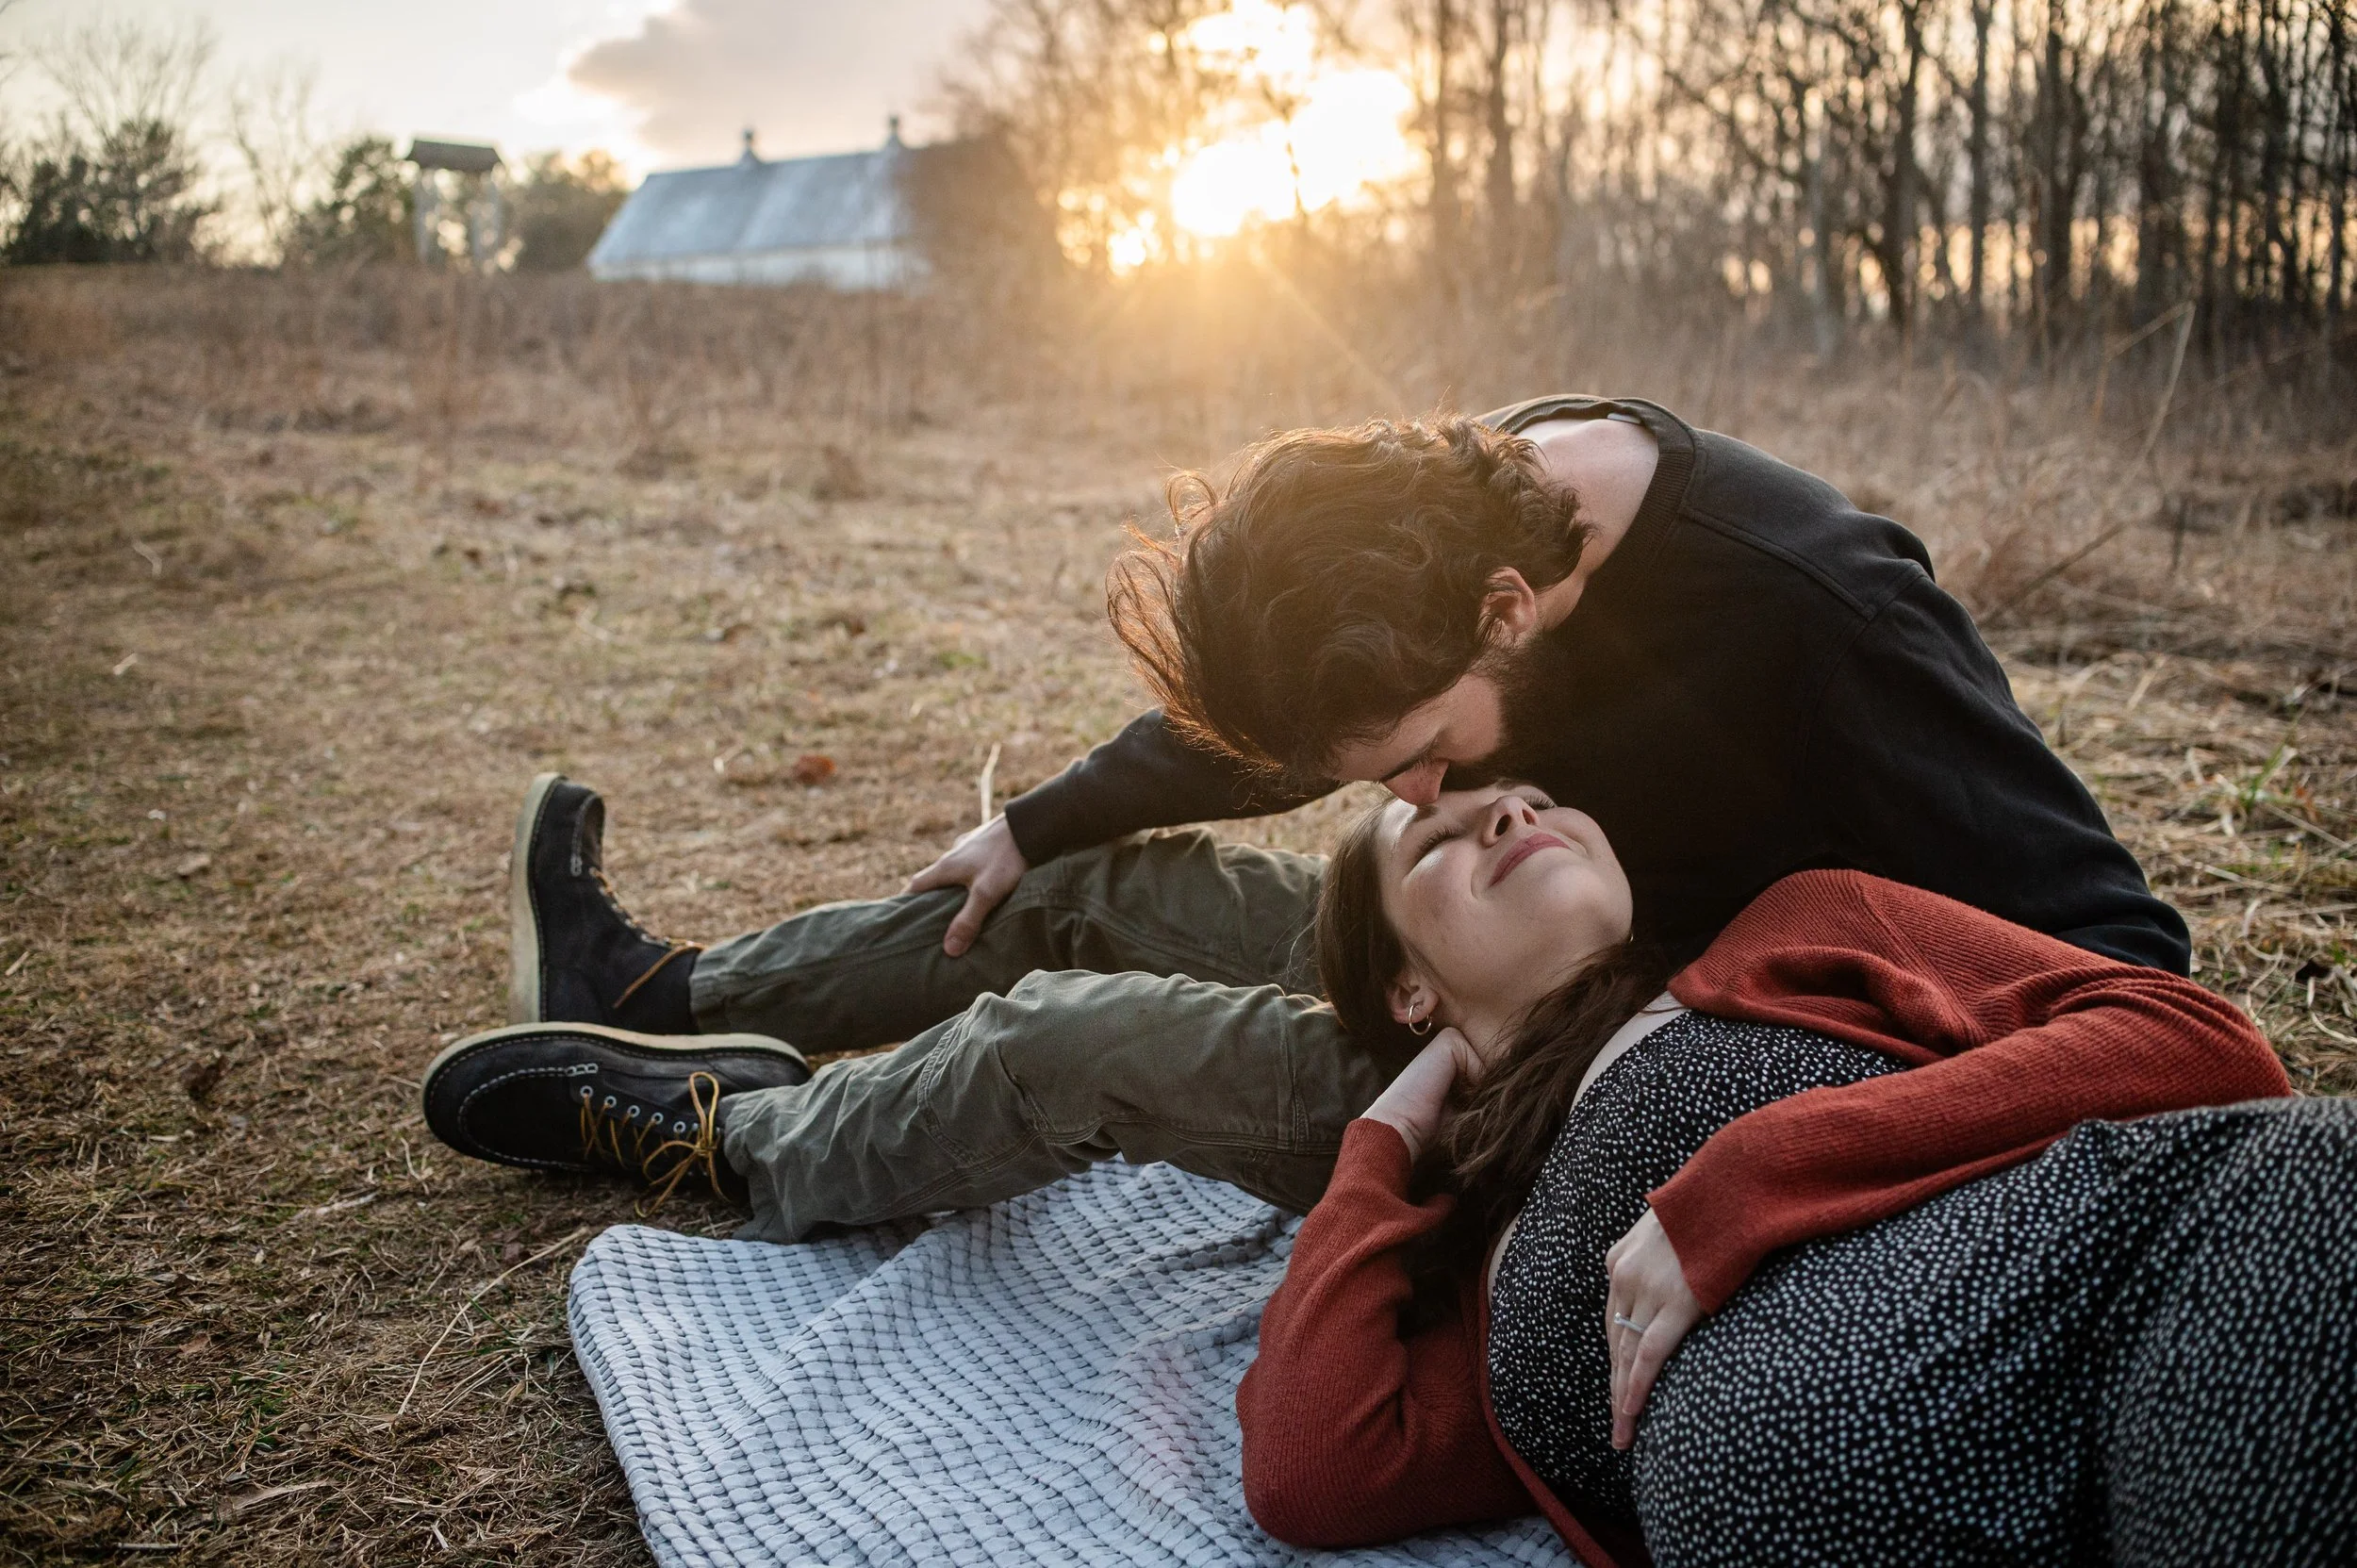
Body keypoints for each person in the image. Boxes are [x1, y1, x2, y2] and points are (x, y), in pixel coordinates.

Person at [420, 398, 2188, 1240]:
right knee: (1080, 895)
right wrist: (1036, 822)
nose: (1398, 793)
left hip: (1621, 1084)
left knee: (1071, 1035)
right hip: (1490, 939)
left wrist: (1755, 1102)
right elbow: (1311, 722)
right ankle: (650, 987)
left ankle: (735, 1137)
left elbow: (2138, 972)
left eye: (1414, 754)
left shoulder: (1827, 615)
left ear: (1510, 605)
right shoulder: (1469, 494)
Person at [1239, 783, 2350, 1567]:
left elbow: (2199, 1045)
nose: (1511, 810)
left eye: (1536, 795)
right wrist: (1385, 1133)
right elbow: (1309, 1469)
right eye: (1434, 837)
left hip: (2161, 1300)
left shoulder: (1803, 921)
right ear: (1403, 991)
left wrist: (1757, 1174)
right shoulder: (1486, 1264)